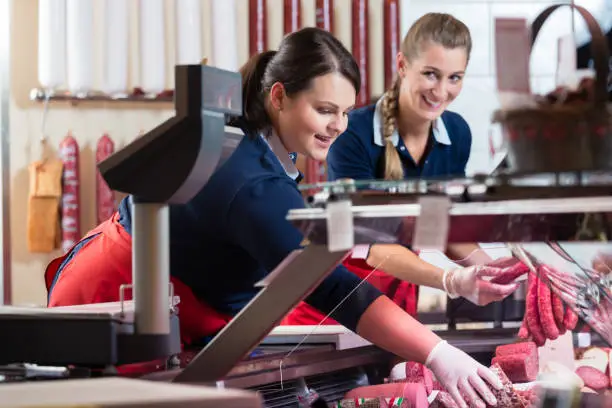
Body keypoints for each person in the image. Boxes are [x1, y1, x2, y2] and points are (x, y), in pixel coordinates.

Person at [45, 27, 501, 408]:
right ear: (279, 97)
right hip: (115, 300)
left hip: (175, 309)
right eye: (324, 110)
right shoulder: (249, 180)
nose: (338, 126)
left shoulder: (266, 153)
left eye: (344, 112)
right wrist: (439, 353)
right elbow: (331, 288)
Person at [284, 13, 520, 327]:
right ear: (403, 65)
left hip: (397, 301)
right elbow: (369, 245)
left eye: (454, 77)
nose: (441, 91)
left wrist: (491, 269)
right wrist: (451, 280)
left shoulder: (457, 134)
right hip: (333, 306)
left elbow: (441, 226)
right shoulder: (353, 132)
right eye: (431, 74)